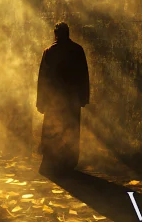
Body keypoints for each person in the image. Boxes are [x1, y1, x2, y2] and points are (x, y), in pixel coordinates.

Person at [36, 22, 90, 175]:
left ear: (56, 34)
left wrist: (41, 101)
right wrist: (83, 97)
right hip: (71, 99)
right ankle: (68, 161)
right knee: (70, 128)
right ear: (68, 33)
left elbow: (43, 79)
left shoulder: (49, 52)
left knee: (53, 129)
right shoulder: (77, 50)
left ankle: (53, 161)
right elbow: (83, 76)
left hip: (54, 100)